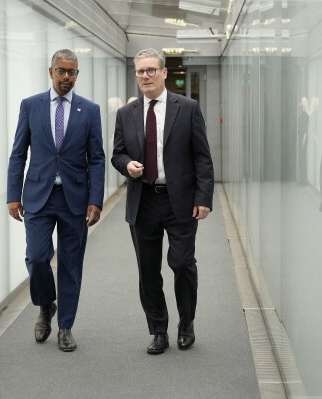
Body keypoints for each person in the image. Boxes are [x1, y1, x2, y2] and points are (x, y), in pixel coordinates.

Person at [111, 48, 214, 355]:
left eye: (151, 70)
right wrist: (127, 164)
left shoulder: (188, 108)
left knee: (182, 263)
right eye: (140, 71)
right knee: (148, 270)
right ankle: (158, 330)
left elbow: (202, 158)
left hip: (180, 201)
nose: (145, 76)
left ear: (164, 72)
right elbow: (117, 153)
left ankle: (186, 323)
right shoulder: (126, 114)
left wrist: (204, 198)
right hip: (143, 201)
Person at [7, 49, 105, 352]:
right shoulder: (31, 106)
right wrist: (13, 195)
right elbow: (19, 153)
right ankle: (46, 304)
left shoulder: (89, 110)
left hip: (75, 199)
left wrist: (96, 199)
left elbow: (97, 159)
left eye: (72, 72)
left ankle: (65, 326)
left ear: (77, 75)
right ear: (50, 72)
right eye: (61, 71)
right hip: (38, 197)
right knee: (37, 258)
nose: (66, 77)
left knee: (70, 265)